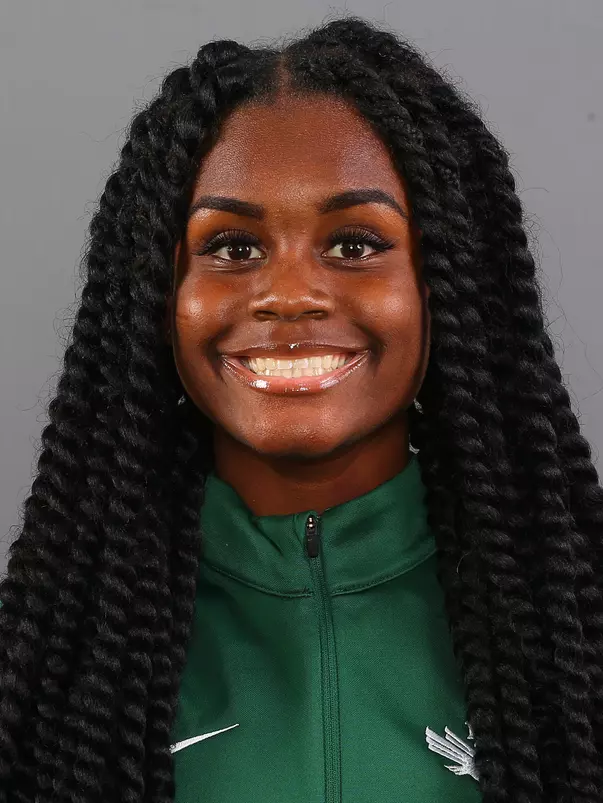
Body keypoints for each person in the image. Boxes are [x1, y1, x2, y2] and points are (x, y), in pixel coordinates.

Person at [0, 14, 601, 803]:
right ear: (158, 293)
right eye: (232, 247)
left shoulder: (573, 644)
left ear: (441, 289)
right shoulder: (54, 667)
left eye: (354, 243)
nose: (287, 295)